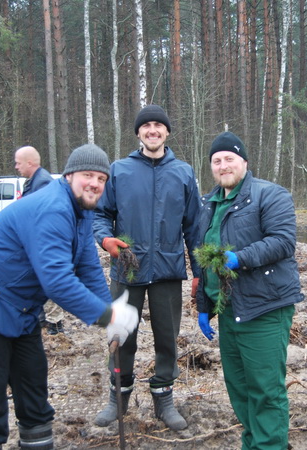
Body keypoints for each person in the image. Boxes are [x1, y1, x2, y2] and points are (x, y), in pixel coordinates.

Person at [0, 144, 139, 449]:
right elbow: (57, 281)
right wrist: (107, 317)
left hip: (20, 305)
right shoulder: (54, 208)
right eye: (88, 175)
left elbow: (87, 262)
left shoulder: (82, 210)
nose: (95, 184)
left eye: (101, 179)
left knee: (33, 386)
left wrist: (109, 306)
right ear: (70, 175)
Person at [93, 104, 201, 431]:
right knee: (120, 335)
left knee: (167, 338)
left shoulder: (183, 173)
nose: (152, 130)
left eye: (158, 126)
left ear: (167, 132)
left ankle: (164, 400)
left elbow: (195, 226)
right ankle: (118, 398)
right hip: (127, 268)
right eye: (146, 126)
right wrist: (106, 240)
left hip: (168, 270)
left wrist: (199, 272)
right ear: (138, 132)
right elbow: (100, 216)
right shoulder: (119, 170)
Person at [195, 131, 304, 449]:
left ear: (243, 161)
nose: (223, 165)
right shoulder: (209, 204)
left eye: (229, 158)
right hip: (229, 310)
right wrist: (204, 304)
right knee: (240, 388)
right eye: (216, 160)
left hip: (264, 307)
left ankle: (270, 445)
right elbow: (203, 259)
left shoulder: (270, 195)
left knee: (265, 389)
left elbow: (283, 241)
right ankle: (253, 444)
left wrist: (239, 258)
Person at [15, 145, 61, 334]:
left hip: (45, 245)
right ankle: (42, 318)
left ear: (30, 162)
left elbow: (41, 217)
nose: (16, 167)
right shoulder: (32, 182)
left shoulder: (42, 183)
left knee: (49, 281)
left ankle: (55, 325)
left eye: (18, 163)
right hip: (35, 244)